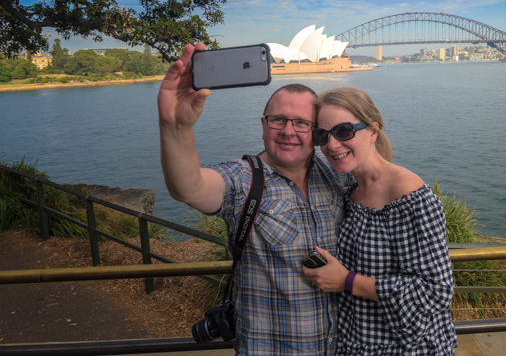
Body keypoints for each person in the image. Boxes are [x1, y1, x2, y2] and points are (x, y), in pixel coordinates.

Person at [158, 44, 351, 355]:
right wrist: (175, 127)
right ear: (264, 126)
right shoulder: (244, 180)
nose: (289, 131)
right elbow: (190, 187)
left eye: (302, 123)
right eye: (278, 120)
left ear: (316, 134)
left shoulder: (337, 176)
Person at [302, 86, 458, 355]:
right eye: (322, 135)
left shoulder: (406, 192)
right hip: (356, 344)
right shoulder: (350, 187)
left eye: (343, 131)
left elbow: (437, 290)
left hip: (406, 348)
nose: (332, 145)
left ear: (373, 131)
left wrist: (347, 281)